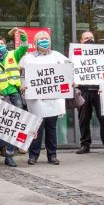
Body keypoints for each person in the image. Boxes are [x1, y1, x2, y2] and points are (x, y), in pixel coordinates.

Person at [19, 31, 66, 166]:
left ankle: (52, 155)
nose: (44, 40)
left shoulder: (58, 56)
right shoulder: (28, 58)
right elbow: (22, 74)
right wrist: (23, 84)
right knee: (36, 129)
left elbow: (68, 70)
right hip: (36, 99)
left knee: (51, 128)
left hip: (53, 99)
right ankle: (33, 155)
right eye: (41, 39)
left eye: (46, 38)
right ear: (36, 42)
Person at [0, 31, 30, 164]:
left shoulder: (13, 54)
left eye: (2, 43)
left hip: (14, 92)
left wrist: (22, 35)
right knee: (1, 123)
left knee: (17, 122)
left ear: (6, 45)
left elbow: (24, 47)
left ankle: (10, 154)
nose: (0, 45)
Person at [75, 31, 104, 155]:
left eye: (91, 38)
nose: (89, 40)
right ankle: (85, 145)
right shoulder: (76, 55)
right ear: (81, 41)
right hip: (83, 90)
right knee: (83, 119)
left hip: (100, 90)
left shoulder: (103, 53)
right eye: (86, 38)